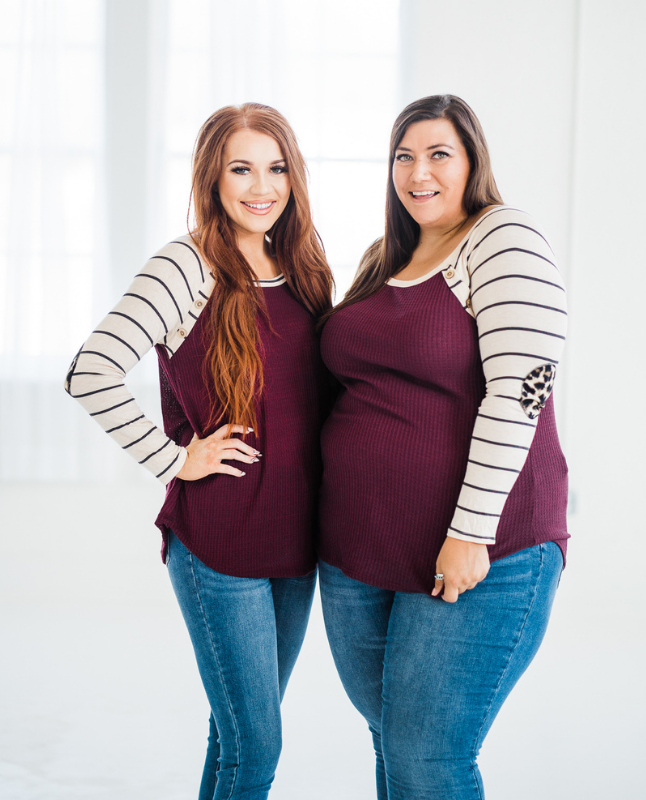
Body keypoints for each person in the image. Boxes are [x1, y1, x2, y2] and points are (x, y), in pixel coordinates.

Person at [65, 103, 333, 800]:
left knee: (238, 732)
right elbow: (90, 370)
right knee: (259, 743)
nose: (260, 186)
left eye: (275, 168)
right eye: (240, 169)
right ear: (212, 178)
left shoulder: (301, 266)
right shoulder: (186, 265)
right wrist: (176, 460)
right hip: (220, 545)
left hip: (296, 545)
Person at [317, 94, 568, 799]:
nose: (417, 171)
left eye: (438, 154)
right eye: (404, 155)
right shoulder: (385, 257)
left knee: (427, 757)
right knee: (393, 743)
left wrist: (469, 532)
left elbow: (523, 389)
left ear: (471, 163)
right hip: (358, 553)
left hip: (476, 552)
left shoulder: (500, 237)